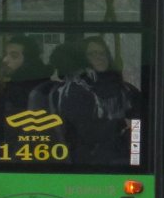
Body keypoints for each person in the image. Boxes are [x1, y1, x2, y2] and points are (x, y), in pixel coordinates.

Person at [50, 35, 143, 165]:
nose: (99, 57)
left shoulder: (126, 89)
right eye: (92, 54)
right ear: (83, 59)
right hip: (89, 161)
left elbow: (141, 118)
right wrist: (120, 124)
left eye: (102, 53)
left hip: (126, 155)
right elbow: (83, 131)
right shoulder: (74, 90)